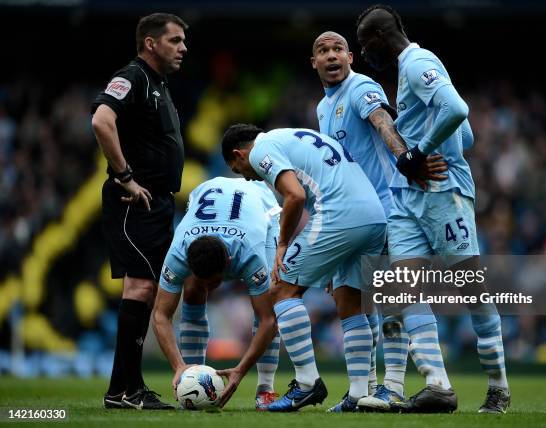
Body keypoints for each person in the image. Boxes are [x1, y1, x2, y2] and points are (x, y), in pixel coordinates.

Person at [356, 4, 510, 413]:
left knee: (469, 287)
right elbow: (468, 136)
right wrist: (433, 151)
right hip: (408, 196)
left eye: (363, 45)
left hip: (444, 194)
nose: (365, 55)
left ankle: (498, 387)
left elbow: (458, 110)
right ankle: (438, 385)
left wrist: (418, 153)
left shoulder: (417, 62)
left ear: (377, 36)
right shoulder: (411, 71)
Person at [311, 30, 456, 413]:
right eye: (323, 51)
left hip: (383, 209)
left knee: (393, 301)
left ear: (350, 57)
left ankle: (392, 385)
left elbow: (382, 123)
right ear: (314, 62)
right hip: (345, 218)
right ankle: (361, 391)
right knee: (349, 303)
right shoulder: (322, 110)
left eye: (338, 49)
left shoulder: (361, 87)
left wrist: (406, 159)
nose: (331, 56)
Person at [222, 123, 388, 412]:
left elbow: (295, 195)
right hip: (374, 216)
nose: (247, 179)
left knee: (281, 290)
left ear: (239, 154)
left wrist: (284, 243)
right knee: (350, 301)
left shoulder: (261, 149)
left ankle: (307, 384)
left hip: (339, 213)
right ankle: (359, 396)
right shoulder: (289, 136)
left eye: (239, 170)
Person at [91, 13, 187, 410]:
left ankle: (127, 388)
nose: (183, 48)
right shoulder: (132, 77)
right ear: (151, 43)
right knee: (142, 288)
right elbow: (101, 120)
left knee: (148, 292)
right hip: (137, 200)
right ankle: (122, 391)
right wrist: (125, 176)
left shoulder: (157, 83)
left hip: (158, 201)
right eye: (175, 40)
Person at [152, 177, 281, 410]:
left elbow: (268, 321)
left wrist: (240, 370)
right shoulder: (178, 253)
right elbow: (160, 315)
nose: (210, 288)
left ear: (229, 264)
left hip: (261, 203)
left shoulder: (251, 255)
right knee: (191, 290)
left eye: (213, 282)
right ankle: (192, 379)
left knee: (269, 302)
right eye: (205, 281)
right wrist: (178, 367)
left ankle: (265, 390)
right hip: (206, 191)